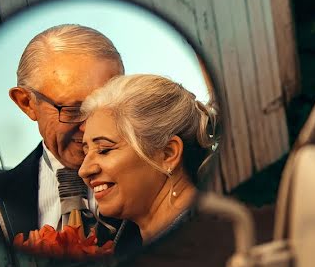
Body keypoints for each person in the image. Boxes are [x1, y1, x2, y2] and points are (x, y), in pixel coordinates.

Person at [0, 24, 139, 252]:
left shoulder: (164, 180)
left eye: (108, 106)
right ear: (26, 103)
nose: (91, 127)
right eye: (73, 110)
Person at [79, 74, 217, 244]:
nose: (84, 170)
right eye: (85, 152)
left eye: (104, 150)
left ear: (168, 154)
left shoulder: (207, 240)